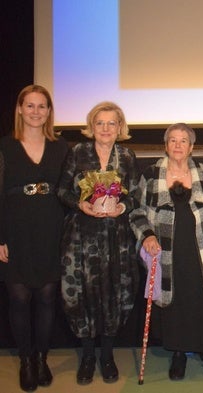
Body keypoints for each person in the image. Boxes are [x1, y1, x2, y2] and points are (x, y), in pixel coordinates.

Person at [129, 123, 203, 381]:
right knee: (175, 302)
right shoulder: (151, 174)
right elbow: (136, 211)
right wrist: (147, 235)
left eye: (183, 141)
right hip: (167, 250)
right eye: (173, 140)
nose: (178, 145)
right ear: (166, 145)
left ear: (192, 147)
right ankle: (179, 354)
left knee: (202, 300)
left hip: (201, 249)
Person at [58, 101, 139, 385]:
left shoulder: (127, 156)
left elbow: (135, 195)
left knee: (113, 295)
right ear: (92, 127)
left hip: (116, 238)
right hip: (82, 237)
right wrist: (80, 204)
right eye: (100, 123)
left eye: (111, 123)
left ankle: (106, 355)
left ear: (120, 127)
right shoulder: (77, 153)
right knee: (82, 295)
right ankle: (88, 356)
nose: (105, 129)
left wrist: (123, 207)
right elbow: (62, 191)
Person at [0, 85, 68, 392]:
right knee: (19, 298)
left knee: (45, 298)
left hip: (50, 229)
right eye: (30, 106)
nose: (36, 112)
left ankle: (42, 359)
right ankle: (25, 361)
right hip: (14, 230)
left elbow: (68, 192)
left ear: (49, 112)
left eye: (42, 106)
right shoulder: (5, 146)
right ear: (19, 109)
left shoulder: (61, 147)